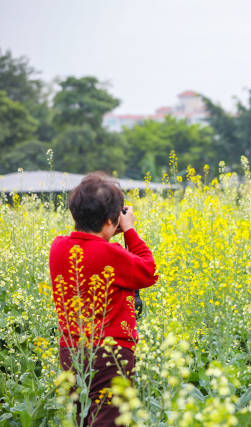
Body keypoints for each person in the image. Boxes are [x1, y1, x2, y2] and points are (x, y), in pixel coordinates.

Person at [49, 172, 158, 426]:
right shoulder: (112, 254)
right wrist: (129, 231)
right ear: (112, 219)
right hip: (111, 354)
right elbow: (149, 271)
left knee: (83, 419)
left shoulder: (58, 248)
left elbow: (87, 246)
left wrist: (107, 230)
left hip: (71, 353)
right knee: (109, 421)